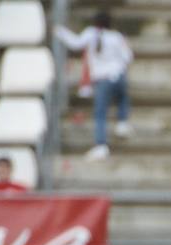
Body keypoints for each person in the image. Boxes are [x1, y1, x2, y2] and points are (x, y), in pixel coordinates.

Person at [56, 12, 134, 161]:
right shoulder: (117, 36)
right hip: (119, 75)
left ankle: (101, 145)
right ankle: (122, 123)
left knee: (100, 113)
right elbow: (128, 57)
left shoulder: (91, 33)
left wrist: (60, 31)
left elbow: (75, 43)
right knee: (122, 97)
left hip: (103, 79)